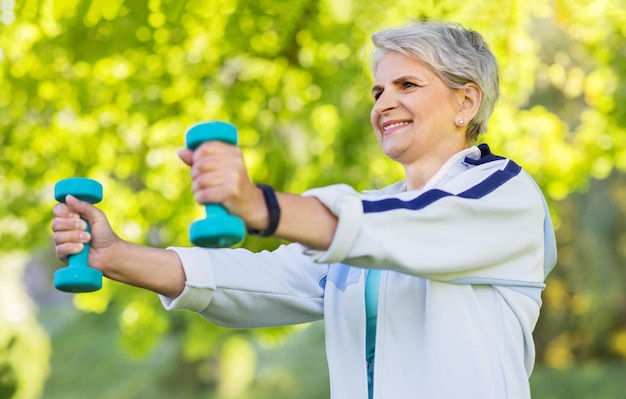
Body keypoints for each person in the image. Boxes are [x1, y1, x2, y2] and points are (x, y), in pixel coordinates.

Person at [52, 20, 557, 399]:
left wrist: (255, 203)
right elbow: (260, 277)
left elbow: (405, 229)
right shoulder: (372, 212)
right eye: (378, 90)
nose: (383, 104)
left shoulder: (503, 196)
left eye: (407, 86)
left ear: (465, 102)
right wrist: (113, 256)